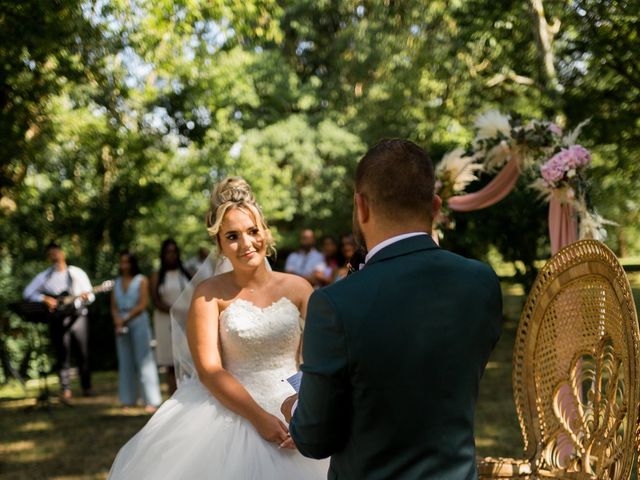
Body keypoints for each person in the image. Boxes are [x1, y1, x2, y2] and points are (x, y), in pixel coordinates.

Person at [284, 139, 503, 479]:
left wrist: (295, 406)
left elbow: (314, 438)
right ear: (435, 205)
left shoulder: (334, 303)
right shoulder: (482, 283)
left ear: (361, 207)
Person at [108, 177, 328, 479]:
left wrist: (306, 412)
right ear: (220, 245)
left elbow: (314, 359)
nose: (247, 244)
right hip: (234, 410)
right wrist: (260, 418)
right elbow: (210, 370)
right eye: (233, 236)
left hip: (296, 405)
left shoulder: (299, 288)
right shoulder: (208, 294)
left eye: (253, 231)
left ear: (266, 232)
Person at [23, 242, 94, 402]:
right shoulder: (45, 276)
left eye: (56, 252)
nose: (54, 256)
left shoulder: (76, 273)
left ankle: (86, 386)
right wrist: (44, 298)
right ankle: (66, 389)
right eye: (51, 254)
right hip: (58, 319)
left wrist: (86, 297)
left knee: (83, 352)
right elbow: (27, 292)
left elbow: (91, 295)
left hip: (78, 316)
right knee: (62, 354)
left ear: (62, 253)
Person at [111, 251, 162, 412]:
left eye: (127, 262)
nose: (124, 265)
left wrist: (125, 319)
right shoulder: (116, 282)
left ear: (132, 263)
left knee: (144, 359)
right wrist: (118, 320)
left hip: (138, 321)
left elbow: (143, 304)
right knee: (125, 361)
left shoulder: (141, 280)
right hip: (121, 324)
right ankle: (127, 399)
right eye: (122, 262)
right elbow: (113, 306)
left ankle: (151, 400)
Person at [149, 239, 191, 394]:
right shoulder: (156, 276)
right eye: (168, 252)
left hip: (187, 320)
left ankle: (190, 395)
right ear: (163, 254)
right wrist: (176, 311)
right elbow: (155, 300)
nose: (171, 255)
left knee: (189, 360)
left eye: (174, 251)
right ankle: (174, 397)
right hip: (165, 321)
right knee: (171, 363)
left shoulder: (187, 273)